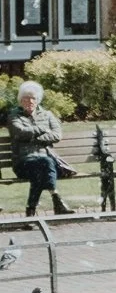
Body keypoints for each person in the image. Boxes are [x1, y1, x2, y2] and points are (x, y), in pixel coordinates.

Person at [7, 81, 73, 217]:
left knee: (40, 170)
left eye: (33, 98)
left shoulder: (47, 115)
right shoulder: (14, 116)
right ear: (20, 101)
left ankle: (31, 211)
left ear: (38, 100)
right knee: (45, 164)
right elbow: (20, 133)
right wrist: (43, 129)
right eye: (26, 98)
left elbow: (57, 135)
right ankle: (56, 199)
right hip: (23, 162)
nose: (29, 101)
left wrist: (35, 138)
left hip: (43, 162)